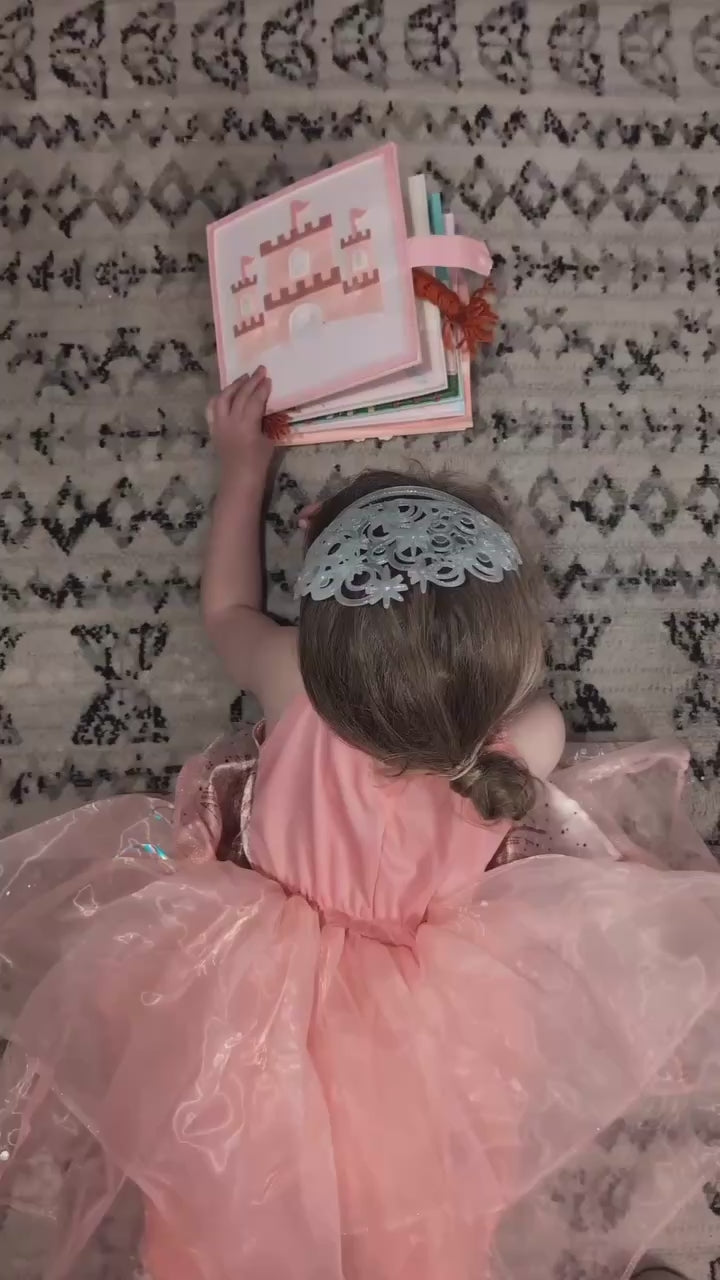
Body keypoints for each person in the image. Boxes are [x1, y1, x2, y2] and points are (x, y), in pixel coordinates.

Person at [1, 368, 720, 1280]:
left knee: (234, 1198)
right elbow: (527, 705)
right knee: (418, 1214)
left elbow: (225, 610)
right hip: (428, 1036)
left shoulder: (295, 678)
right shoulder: (521, 744)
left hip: (255, 1002)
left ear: (324, 643)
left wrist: (243, 471)